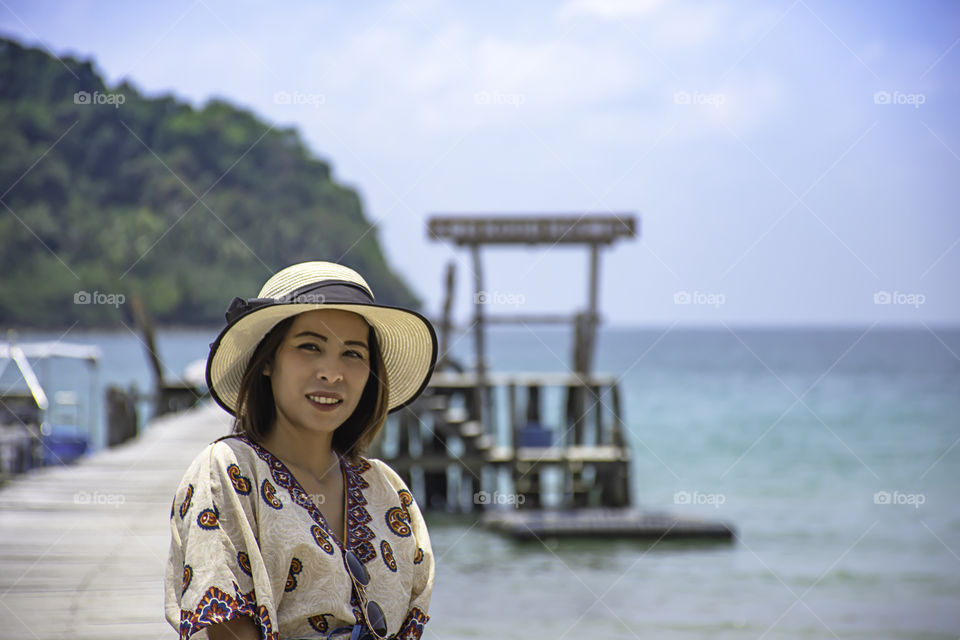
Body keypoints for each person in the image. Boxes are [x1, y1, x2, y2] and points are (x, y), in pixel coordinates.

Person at [164, 261, 438, 640]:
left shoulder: (387, 489)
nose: (331, 373)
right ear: (268, 361)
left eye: (353, 354)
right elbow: (228, 627)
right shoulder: (228, 472)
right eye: (310, 346)